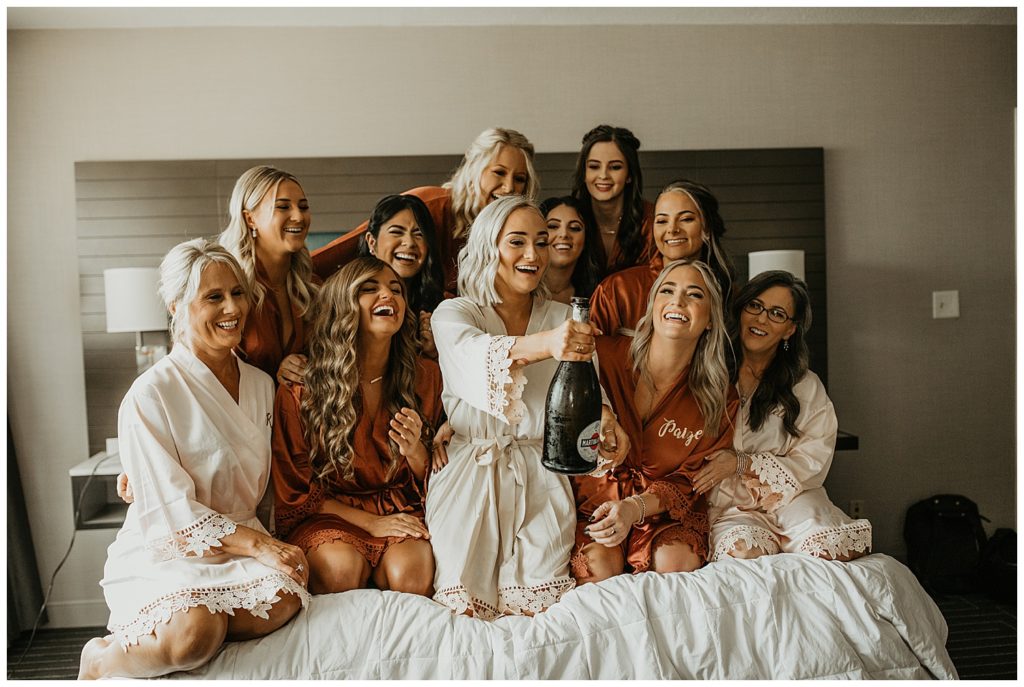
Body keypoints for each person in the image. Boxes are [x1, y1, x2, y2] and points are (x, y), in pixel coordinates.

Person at [79, 239, 309, 680]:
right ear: (176, 305)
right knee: (195, 634)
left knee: (288, 596)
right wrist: (260, 545)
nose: (232, 308)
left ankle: (208, 618)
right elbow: (168, 512)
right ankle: (100, 660)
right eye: (214, 297)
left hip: (238, 540)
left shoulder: (262, 385)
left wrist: (277, 540)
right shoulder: (151, 395)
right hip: (171, 544)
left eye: (237, 293)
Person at [425, 195, 630, 619]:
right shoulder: (454, 313)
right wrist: (548, 343)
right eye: (517, 241)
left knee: (539, 611)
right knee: (464, 613)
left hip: (542, 477)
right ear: (489, 247)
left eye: (541, 241)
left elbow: (586, 392)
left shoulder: (564, 316)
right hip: (470, 474)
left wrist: (607, 420)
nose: (533, 255)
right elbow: (475, 355)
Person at [272, 256, 443, 597]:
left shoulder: (427, 378)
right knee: (340, 571)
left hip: (400, 507)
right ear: (342, 305)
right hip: (330, 513)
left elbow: (438, 473)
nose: (388, 295)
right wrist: (373, 524)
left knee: (411, 575)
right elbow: (297, 492)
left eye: (396, 289)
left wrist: (416, 451)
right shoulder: (301, 387)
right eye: (369, 289)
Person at [572, 259, 739, 582]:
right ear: (652, 307)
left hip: (661, 513)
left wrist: (635, 508)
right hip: (595, 504)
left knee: (673, 563)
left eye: (694, 295)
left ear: (709, 320)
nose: (678, 301)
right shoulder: (604, 357)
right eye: (667, 291)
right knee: (598, 568)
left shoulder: (719, 397)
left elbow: (690, 480)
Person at [696, 270, 872, 562]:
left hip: (790, 497)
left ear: (790, 329)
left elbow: (814, 457)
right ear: (741, 310)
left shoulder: (804, 385)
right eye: (755, 306)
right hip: (728, 504)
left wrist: (743, 463)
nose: (761, 319)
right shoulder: (709, 372)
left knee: (833, 547)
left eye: (777, 313)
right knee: (745, 552)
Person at [312, 128, 540, 293]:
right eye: (498, 173)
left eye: (519, 179)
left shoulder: (516, 233)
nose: (510, 187)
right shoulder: (427, 205)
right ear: (474, 168)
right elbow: (329, 259)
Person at [588, 179, 735, 336]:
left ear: (706, 227)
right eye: (662, 221)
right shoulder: (616, 290)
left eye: (686, 219)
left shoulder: (727, 294)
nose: (672, 229)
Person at [218, 165, 320, 386]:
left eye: (303, 207)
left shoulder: (312, 286)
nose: (298, 216)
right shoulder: (230, 287)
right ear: (250, 219)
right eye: (283, 207)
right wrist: (273, 375)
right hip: (243, 415)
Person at [359, 193, 446, 358]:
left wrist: (435, 353)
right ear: (371, 242)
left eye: (419, 234)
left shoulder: (442, 309)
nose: (410, 242)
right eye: (397, 232)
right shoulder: (345, 297)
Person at [570, 125, 655, 274]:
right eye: (594, 166)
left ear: (629, 175)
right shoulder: (568, 219)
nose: (603, 175)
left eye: (615, 167)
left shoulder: (652, 221)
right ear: (584, 173)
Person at [538, 195, 603, 304]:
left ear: (586, 238)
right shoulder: (523, 291)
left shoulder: (598, 296)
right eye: (553, 226)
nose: (564, 234)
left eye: (574, 228)